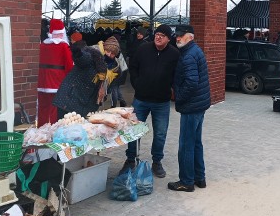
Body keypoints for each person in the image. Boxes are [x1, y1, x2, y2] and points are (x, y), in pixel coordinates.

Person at [121, 24, 180, 178]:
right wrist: (137, 83)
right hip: (141, 99)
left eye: (162, 35)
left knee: (160, 133)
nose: (158, 37)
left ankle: (157, 162)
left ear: (168, 39)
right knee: (133, 130)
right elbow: (133, 67)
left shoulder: (174, 54)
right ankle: (130, 159)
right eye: (157, 34)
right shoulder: (143, 49)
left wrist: (172, 89)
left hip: (161, 102)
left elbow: (177, 75)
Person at [168, 25, 211, 192]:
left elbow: (192, 82)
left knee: (186, 145)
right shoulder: (194, 51)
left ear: (190, 37)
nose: (177, 38)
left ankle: (186, 181)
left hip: (191, 106)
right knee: (196, 143)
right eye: (176, 35)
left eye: (181, 35)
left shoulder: (188, 56)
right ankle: (200, 178)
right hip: (199, 104)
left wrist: (179, 97)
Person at [53, 43, 108, 117]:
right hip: (68, 99)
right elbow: (83, 59)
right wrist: (78, 53)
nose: (110, 54)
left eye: (113, 53)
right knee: (64, 125)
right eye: (108, 51)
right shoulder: (91, 57)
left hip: (82, 104)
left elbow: (97, 92)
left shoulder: (105, 70)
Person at [38, 18, 73, 126]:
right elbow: (69, 65)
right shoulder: (63, 46)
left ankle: (41, 130)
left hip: (42, 81)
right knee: (55, 109)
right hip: (57, 82)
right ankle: (53, 132)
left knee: (42, 108)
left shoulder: (42, 45)